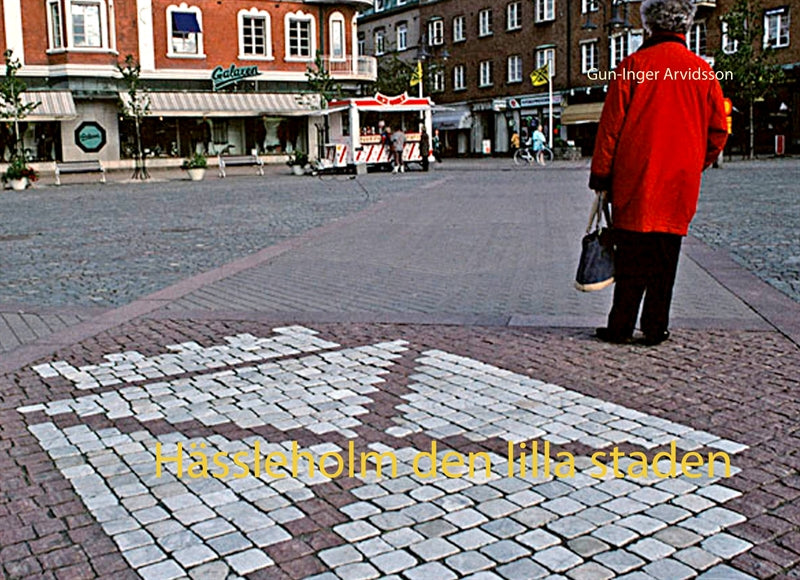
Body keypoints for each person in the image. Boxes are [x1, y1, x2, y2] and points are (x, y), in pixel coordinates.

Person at [590, 0, 728, 346]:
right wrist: (696, 162)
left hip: (635, 180)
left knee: (631, 258)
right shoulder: (701, 72)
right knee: (666, 258)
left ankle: (621, 325)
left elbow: (610, 129)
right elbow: (718, 131)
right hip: (679, 181)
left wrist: (601, 175)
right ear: (687, 25)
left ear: (648, 25)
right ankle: (655, 326)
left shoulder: (633, 66)